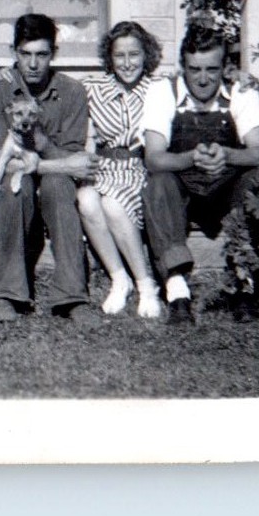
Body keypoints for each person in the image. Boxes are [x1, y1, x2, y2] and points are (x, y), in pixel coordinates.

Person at [141, 19, 259, 322]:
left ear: (224, 67)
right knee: (158, 183)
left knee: (258, 180)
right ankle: (177, 290)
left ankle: (244, 285)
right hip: (183, 194)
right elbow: (153, 157)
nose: (203, 79)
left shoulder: (240, 92)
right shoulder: (163, 93)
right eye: (195, 70)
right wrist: (192, 158)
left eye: (211, 70)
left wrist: (229, 155)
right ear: (182, 67)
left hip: (225, 190)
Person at [0, 14, 100, 324]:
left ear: (53, 54)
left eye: (41, 54)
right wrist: (53, 164)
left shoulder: (71, 91)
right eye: (25, 54)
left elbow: (75, 165)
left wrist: (41, 143)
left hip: (53, 178)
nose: (33, 64)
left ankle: (72, 296)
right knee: (15, 187)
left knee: (59, 186)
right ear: (13, 52)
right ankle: (7, 294)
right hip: (18, 178)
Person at [79, 21, 166, 319]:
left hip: (137, 168)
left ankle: (146, 285)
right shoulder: (92, 88)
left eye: (134, 55)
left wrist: (237, 75)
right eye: (120, 56)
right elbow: (53, 95)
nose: (127, 63)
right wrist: (7, 76)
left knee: (113, 204)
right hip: (102, 167)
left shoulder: (159, 88)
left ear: (146, 55)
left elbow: (194, 92)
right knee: (87, 200)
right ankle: (120, 279)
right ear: (110, 57)